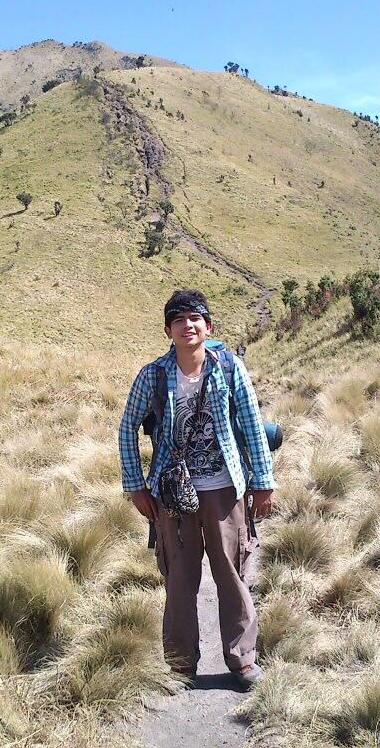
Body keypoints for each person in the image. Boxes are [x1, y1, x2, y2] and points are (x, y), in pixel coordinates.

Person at [118, 288, 276, 689]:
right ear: (168, 329)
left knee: (232, 574)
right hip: (172, 494)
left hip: (225, 489)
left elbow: (252, 423)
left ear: (208, 326)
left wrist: (262, 481)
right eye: (178, 319)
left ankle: (242, 659)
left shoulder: (228, 367)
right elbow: (126, 428)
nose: (187, 325)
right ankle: (180, 665)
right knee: (180, 581)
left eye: (195, 318)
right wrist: (136, 486)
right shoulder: (152, 374)